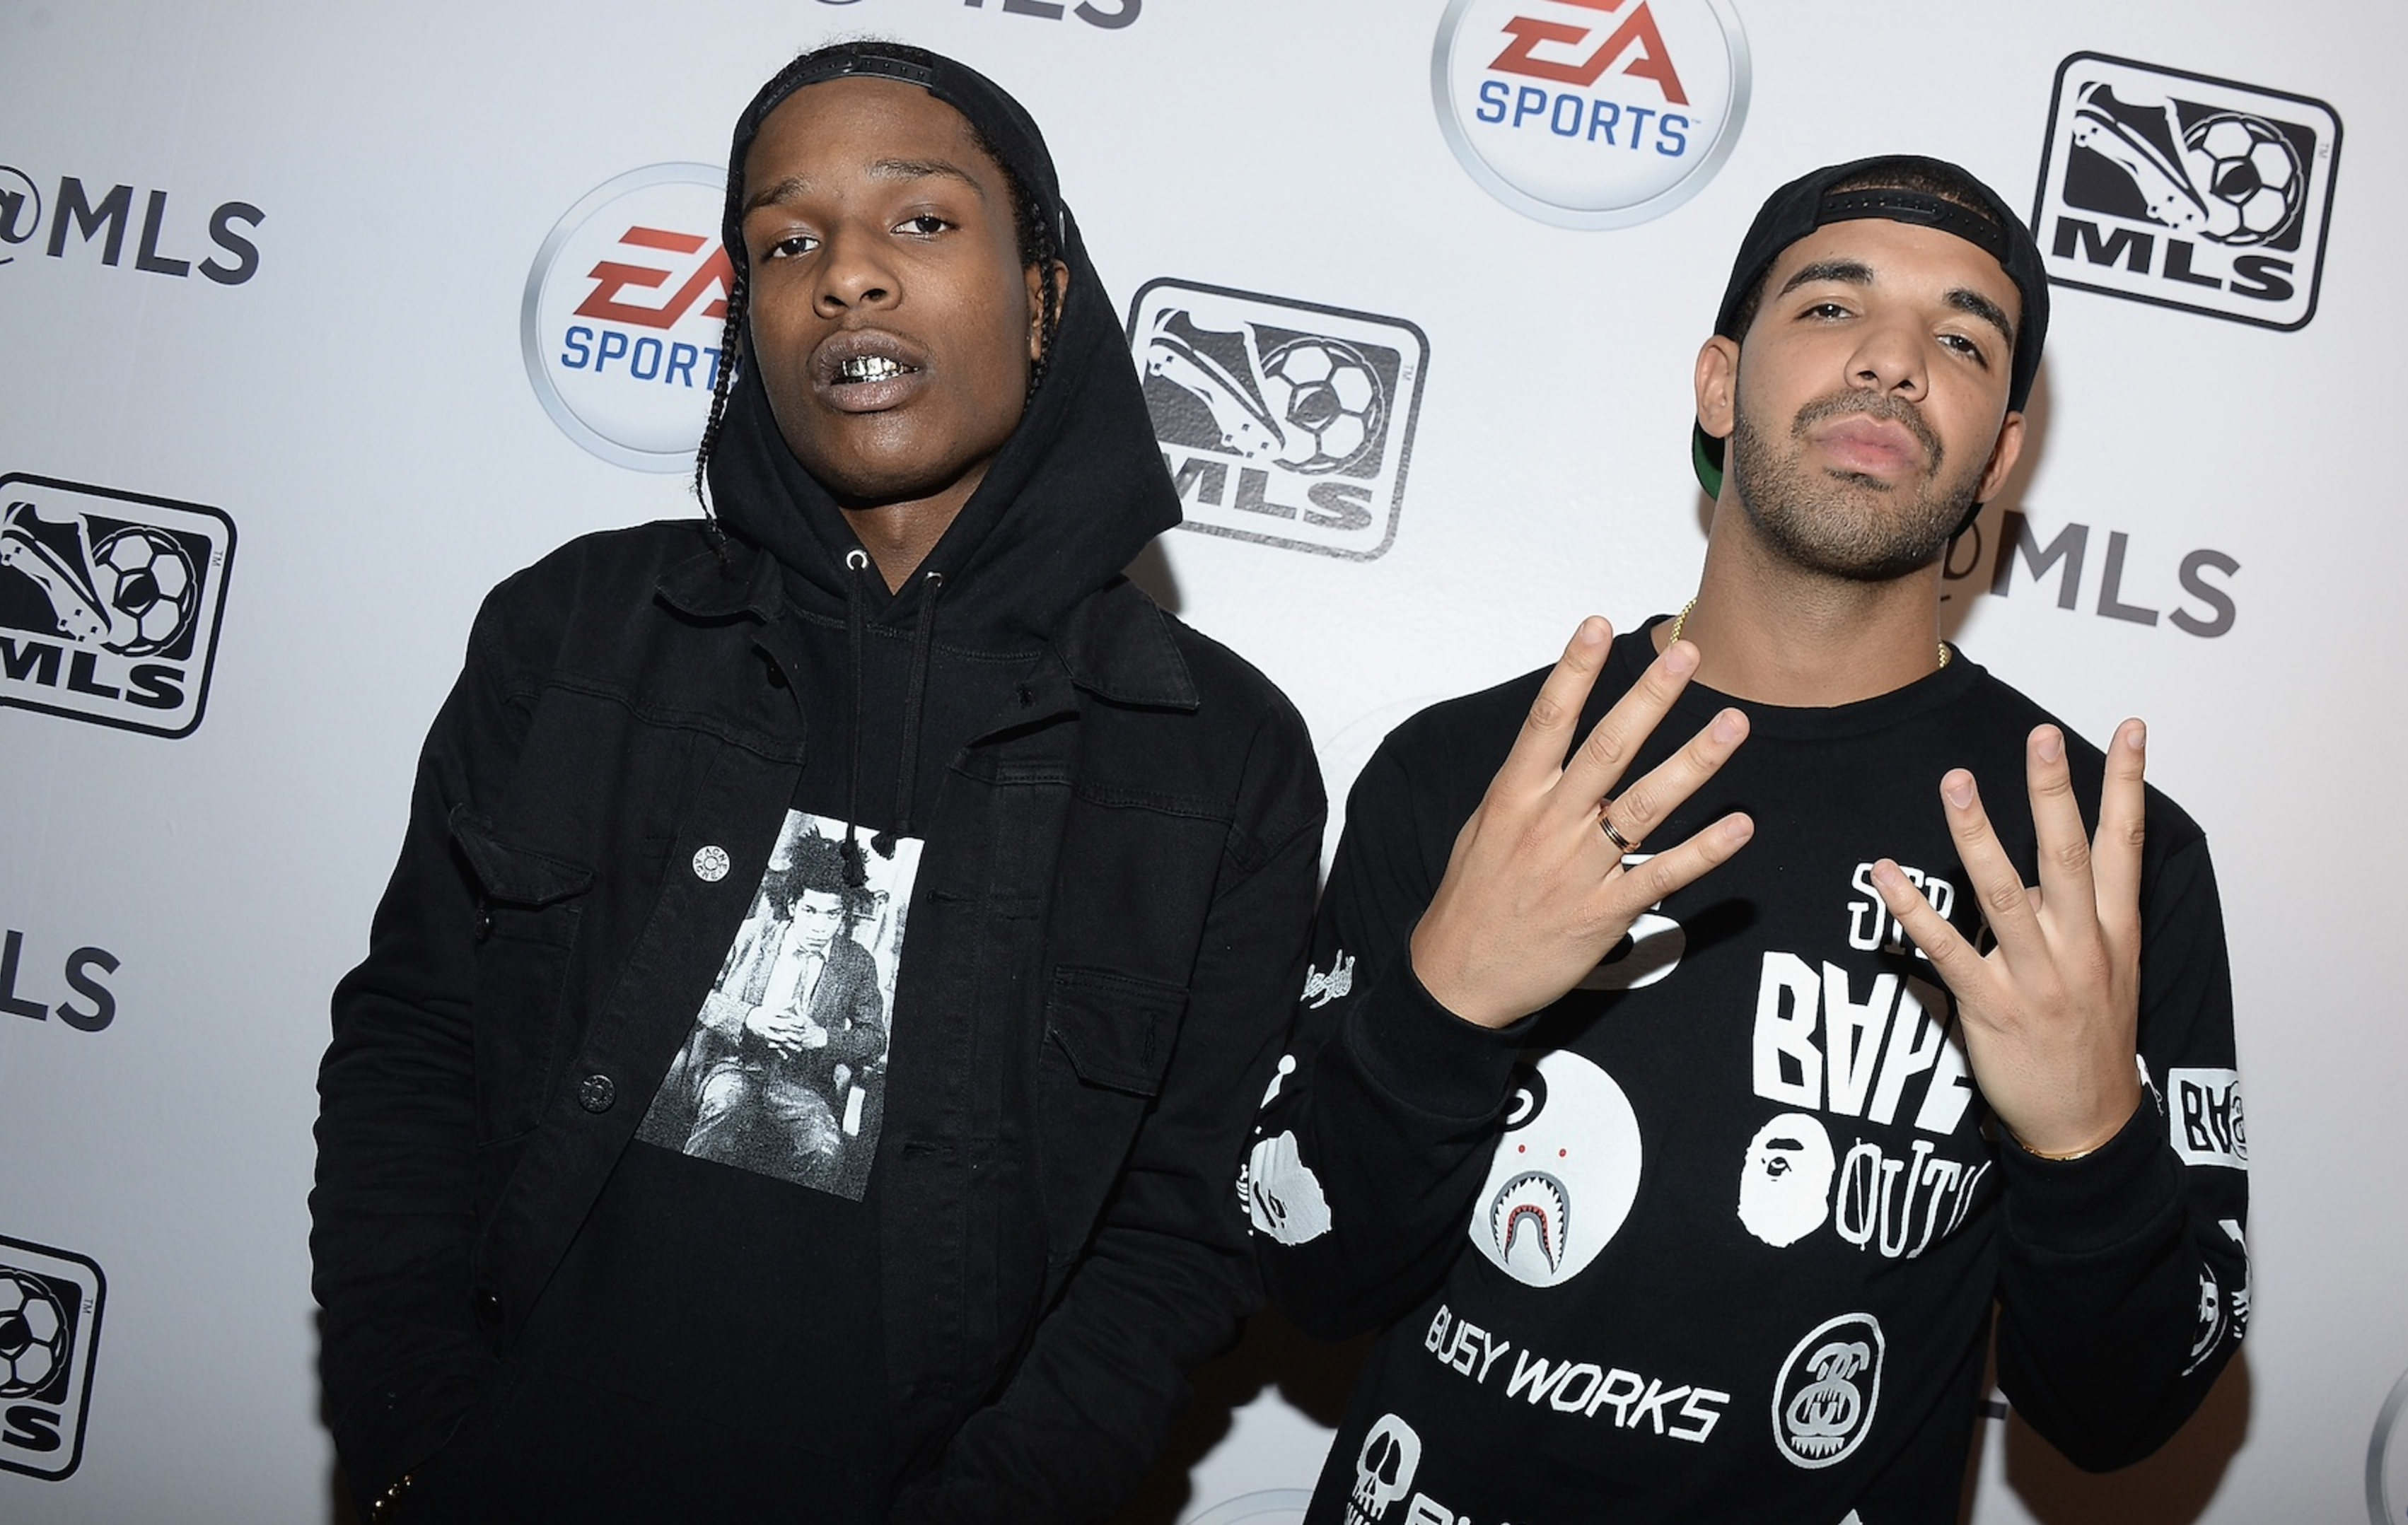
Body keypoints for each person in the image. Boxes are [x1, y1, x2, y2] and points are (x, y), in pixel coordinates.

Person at [313, 41, 1321, 1524]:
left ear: (1045, 297)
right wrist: (418, 1442)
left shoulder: (1215, 755)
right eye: (788, 243)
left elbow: (1179, 1232)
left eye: (920, 222)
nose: (847, 277)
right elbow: (410, 1043)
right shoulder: (576, 634)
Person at [1244, 156, 2246, 1522]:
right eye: (1833, 309)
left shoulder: (2092, 850)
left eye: (1962, 338)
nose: (1894, 362)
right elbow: (1302, 1275)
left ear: (2002, 452)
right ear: (1720, 384)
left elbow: (2120, 1415)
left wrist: (2087, 1141)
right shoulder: (1473, 769)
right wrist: (1446, 1008)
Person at [639, 825, 888, 1191]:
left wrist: (823, 1037)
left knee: (825, 1150)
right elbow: (688, 992)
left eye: (832, 915)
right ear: (792, 906)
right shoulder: (748, 935)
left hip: (801, 1083)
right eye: (810, 911)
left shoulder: (858, 963)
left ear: (844, 915)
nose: (820, 926)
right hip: (730, 1065)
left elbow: (874, 1039)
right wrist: (749, 1018)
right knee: (728, 1108)